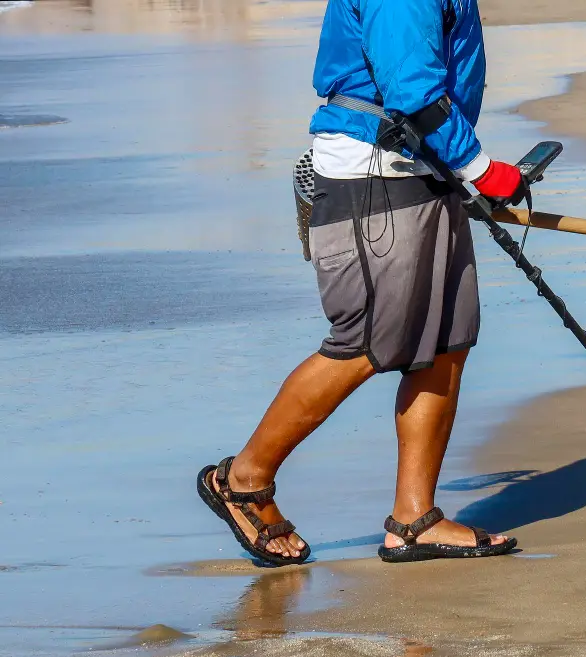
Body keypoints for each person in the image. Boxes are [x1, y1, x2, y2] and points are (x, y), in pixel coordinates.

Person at [197, 0, 528, 566]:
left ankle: (415, 519)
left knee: (446, 344)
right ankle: (244, 479)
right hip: (373, 176)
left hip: (424, 167)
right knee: (369, 342)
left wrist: (460, 167)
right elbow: (413, 91)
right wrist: (483, 170)